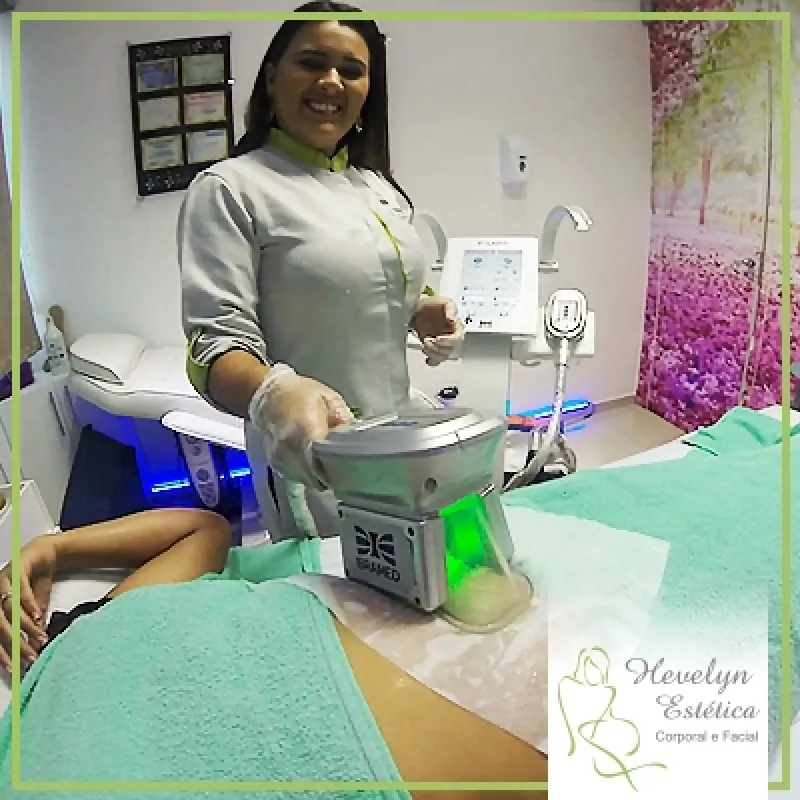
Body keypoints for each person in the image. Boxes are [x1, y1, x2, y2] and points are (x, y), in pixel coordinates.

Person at [178, 1, 465, 542]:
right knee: (340, 589)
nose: (332, 80)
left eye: (352, 70)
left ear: (367, 92)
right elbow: (213, 349)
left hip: (399, 436)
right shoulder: (231, 189)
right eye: (311, 62)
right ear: (272, 78)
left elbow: (365, 285)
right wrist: (273, 393)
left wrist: (419, 308)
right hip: (312, 456)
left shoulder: (376, 187)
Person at [0, 514, 546, 797]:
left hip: (319, 667)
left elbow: (201, 531)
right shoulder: (59, 688)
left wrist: (48, 546)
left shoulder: (101, 623)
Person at [0, 508, 232, 673]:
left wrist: (50, 547)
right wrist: (51, 547)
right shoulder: (88, 642)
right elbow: (205, 531)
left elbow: (205, 531)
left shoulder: (91, 638)